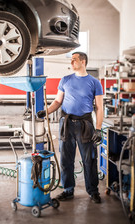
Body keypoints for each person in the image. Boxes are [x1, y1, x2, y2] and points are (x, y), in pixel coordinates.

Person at [37, 52, 103, 203]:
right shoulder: (65, 80)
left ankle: (93, 191)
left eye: (74, 60)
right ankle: (68, 190)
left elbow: (99, 107)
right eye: (71, 60)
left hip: (85, 125)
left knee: (89, 160)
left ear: (83, 61)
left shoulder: (94, 83)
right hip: (66, 124)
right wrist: (45, 111)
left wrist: (98, 129)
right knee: (66, 160)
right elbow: (57, 101)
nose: (72, 62)